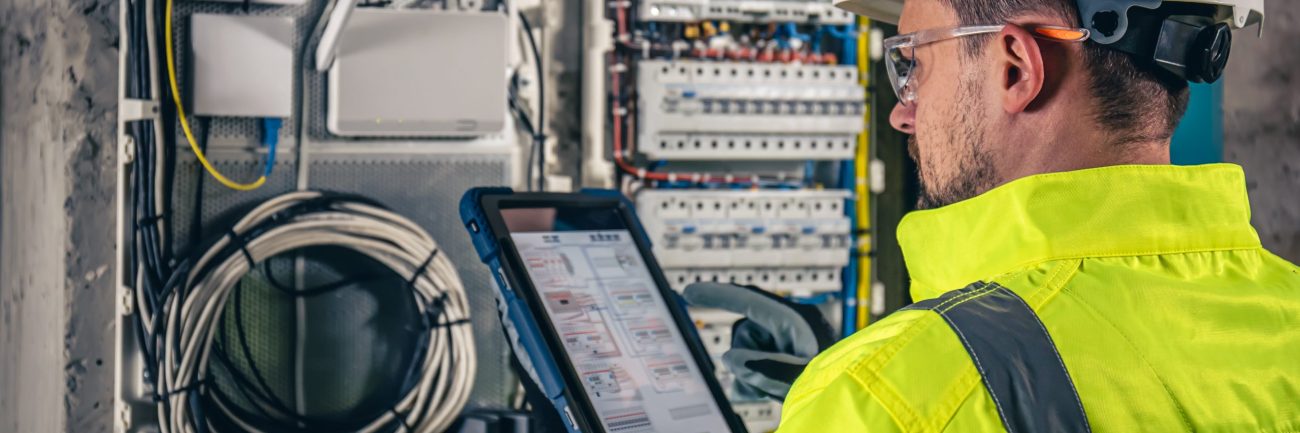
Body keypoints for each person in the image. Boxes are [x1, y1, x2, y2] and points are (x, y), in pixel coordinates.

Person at [684, 0, 1300, 430]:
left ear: (1016, 67)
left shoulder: (883, 402)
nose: (904, 114)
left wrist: (866, 394)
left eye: (913, 65)